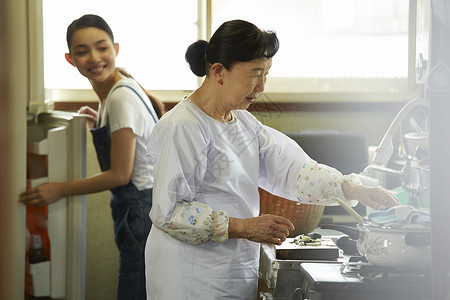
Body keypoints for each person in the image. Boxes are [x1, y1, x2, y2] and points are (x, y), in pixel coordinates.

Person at [143, 19, 399, 300]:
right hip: (190, 276)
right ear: (218, 71)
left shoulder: (242, 122)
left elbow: (293, 170)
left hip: (233, 269)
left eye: (266, 73)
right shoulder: (184, 126)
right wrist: (246, 226)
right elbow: (169, 213)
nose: (262, 85)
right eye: (254, 74)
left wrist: (353, 189)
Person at [18, 14, 163, 300]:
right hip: (141, 206)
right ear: (70, 59)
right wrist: (100, 122)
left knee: (132, 292)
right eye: (82, 51)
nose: (94, 58)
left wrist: (59, 190)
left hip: (139, 207)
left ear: (115, 48)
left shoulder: (120, 97)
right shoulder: (117, 89)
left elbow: (121, 175)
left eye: (102, 47)